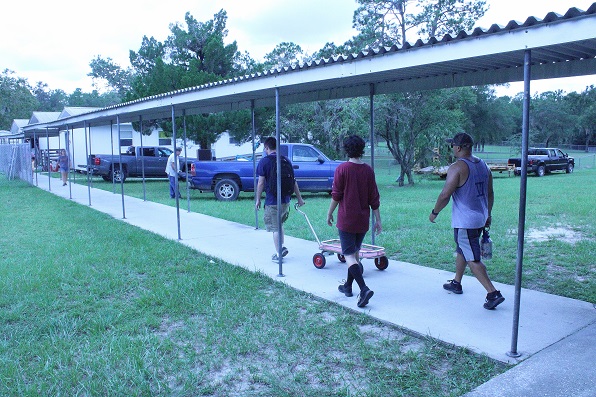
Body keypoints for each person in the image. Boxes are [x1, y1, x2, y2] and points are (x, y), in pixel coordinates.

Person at [429, 132, 505, 310]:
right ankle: (456, 282)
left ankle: (492, 293)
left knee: (473, 257)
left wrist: (434, 212)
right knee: (463, 249)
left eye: (452, 146)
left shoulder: (457, 167)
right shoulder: (483, 165)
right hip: (480, 218)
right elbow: (490, 193)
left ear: (458, 147)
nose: (452, 149)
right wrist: (488, 213)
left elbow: (445, 194)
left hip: (465, 222)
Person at [327, 135, 381, 308]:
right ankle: (348, 287)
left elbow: (336, 196)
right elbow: (374, 198)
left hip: (346, 219)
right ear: (362, 149)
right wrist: (378, 220)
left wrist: (329, 213)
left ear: (346, 149)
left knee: (349, 255)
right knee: (355, 252)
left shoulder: (342, 169)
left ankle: (363, 289)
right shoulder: (368, 170)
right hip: (362, 220)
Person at [255, 137, 305, 262]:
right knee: (280, 224)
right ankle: (281, 247)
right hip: (285, 200)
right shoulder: (286, 160)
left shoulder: (264, 162)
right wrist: (299, 198)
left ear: (267, 148)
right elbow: (293, 182)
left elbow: (261, 183)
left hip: (272, 201)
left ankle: (279, 253)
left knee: (275, 228)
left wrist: (258, 199)